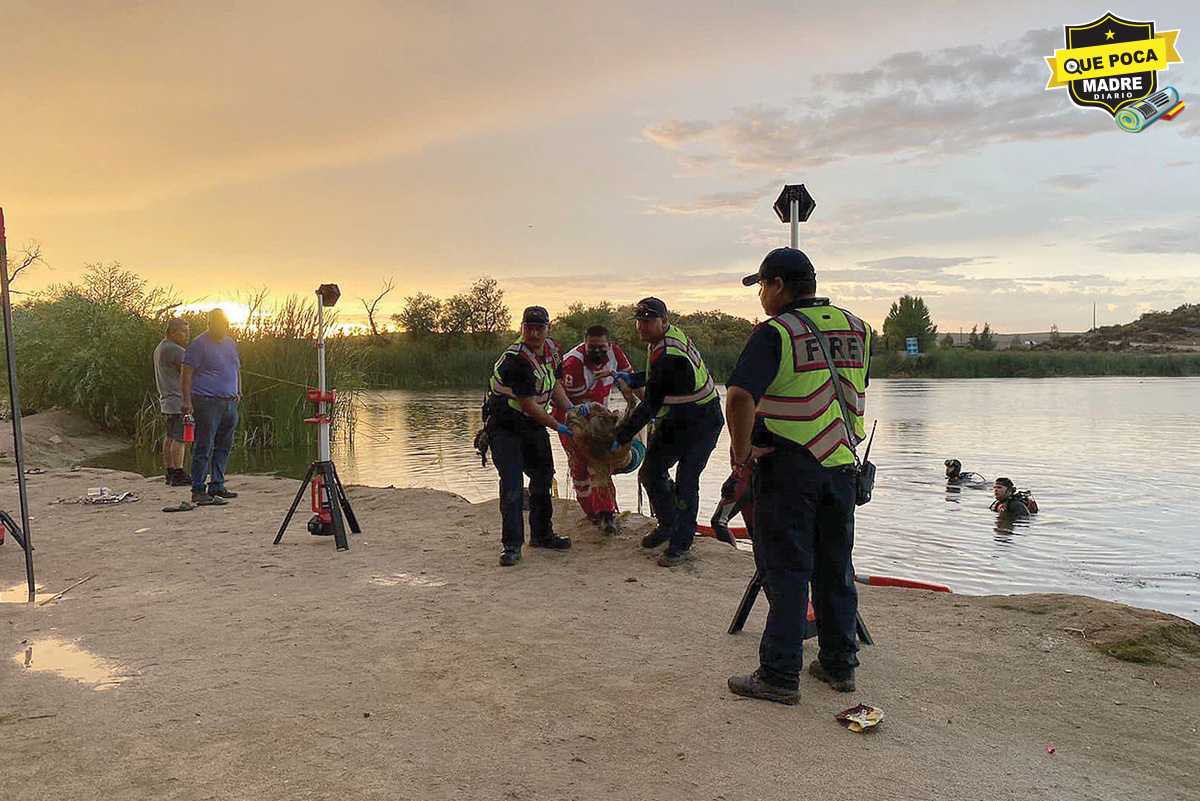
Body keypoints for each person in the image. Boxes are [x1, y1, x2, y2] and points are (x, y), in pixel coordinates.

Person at [725, 247, 871, 705]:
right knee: (835, 567)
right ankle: (838, 664)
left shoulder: (777, 333)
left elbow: (739, 396)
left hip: (790, 466)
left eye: (763, 286)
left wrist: (741, 450)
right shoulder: (858, 327)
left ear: (780, 287)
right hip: (842, 464)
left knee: (788, 569)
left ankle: (779, 674)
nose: (761, 296)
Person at [611, 297, 723, 567]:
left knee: (687, 481)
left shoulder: (670, 353)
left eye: (648, 320)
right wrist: (636, 379)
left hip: (702, 421)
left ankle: (681, 543)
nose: (642, 326)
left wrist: (620, 438)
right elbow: (661, 381)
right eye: (639, 320)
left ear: (664, 321)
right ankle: (668, 522)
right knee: (651, 472)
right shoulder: (665, 342)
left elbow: (650, 405)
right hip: (678, 418)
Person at [487, 306, 582, 567]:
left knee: (543, 476)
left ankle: (541, 534)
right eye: (529, 327)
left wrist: (571, 409)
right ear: (521, 328)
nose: (534, 333)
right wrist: (558, 426)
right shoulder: (515, 360)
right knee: (512, 483)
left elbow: (555, 386)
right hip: (505, 424)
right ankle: (512, 546)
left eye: (539, 328)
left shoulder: (553, 350)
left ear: (548, 329)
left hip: (532, 424)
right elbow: (529, 405)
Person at [554, 325, 635, 534]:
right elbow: (565, 399)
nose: (597, 352)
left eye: (602, 347)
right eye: (592, 348)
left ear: (609, 345)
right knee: (580, 467)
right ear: (584, 343)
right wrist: (577, 415)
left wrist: (650, 410)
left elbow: (633, 385)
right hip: (572, 419)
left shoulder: (616, 354)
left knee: (598, 464)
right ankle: (592, 512)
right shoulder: (573, 363)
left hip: (599, 417)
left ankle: (606, 513)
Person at [182, 309, 242, 507]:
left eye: (224, 324)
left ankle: (217, 484)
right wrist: (186, 400)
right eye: (217, 324)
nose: (221, 328)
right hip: (207, 402)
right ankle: (198, 488)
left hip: (230, 403)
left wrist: (238, 391)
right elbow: (186, 373)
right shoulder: (198, 344)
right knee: (203, 444)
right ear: (209, 324)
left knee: (224, 445)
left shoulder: (230, 343)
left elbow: (236, 369)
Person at [153, 318, 191, 487]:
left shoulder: (160, 347)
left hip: (167, 399)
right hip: (178, 400)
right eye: (183, 331)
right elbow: (191, 371)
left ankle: (169, 471)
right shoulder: (175, 350)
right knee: (179, 437)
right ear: (172, 332)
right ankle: (178, 472)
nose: (187, 335)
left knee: (170, 436)